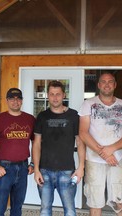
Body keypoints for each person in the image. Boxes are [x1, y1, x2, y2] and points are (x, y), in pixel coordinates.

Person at [79, 72, 122, 216]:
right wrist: (103, 153)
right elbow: (83, 132)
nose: (107, 84)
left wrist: (111, 149)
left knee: (120, 201)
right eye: (103, 81)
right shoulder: (88, 104)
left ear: (115, 85)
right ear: (98, 85)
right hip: (94, 160)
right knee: (95, 203)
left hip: (118, 159)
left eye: (110, 81)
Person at [32, 80, 85, 216]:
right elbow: (36, 144)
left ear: (63, 95)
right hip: (44, 172)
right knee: (45, 210)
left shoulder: (73, 116)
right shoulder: (42, 116)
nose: (55, 97)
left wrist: (81, 168)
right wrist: (36, 169)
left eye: (58, 94)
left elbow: (80, 142)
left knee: (70, 210)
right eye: (52, 94)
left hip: (67, 172)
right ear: (48, 96)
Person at [0, 88, 35, 216]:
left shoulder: (30, 119)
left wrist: (33, 163)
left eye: (18, 99)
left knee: (17, 207)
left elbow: (36, 143)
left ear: (22, 101)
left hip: (23, 167)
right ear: (7, 101)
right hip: (4, 168)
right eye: (12, 99)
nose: (15, 101)